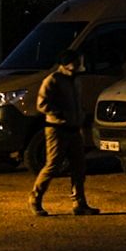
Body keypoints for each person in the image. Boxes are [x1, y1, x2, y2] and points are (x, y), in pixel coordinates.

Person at [29, 48, 99, 217]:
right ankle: (35, 199)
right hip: (57, 129)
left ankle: (79, 204)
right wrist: (60, 113)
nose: (80, 64)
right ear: (67, 63)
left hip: (73, 129)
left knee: (79, 167)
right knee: (53, 166)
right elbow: (41, 104)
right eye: (76, 61)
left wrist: (80, 116)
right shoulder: (53, 80)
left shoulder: (75, 80)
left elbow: (77, 103)